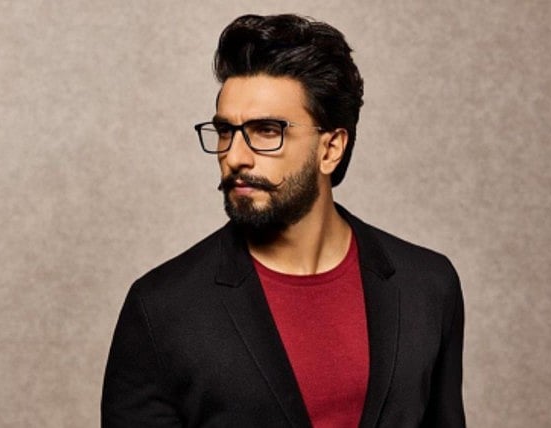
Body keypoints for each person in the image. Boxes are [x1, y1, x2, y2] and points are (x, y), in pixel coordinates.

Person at [102, 13, 465, 428]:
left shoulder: (427, 286)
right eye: (226, 131)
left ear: (330, 148)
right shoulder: (161, 308)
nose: (235, 156)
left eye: (266, 131)